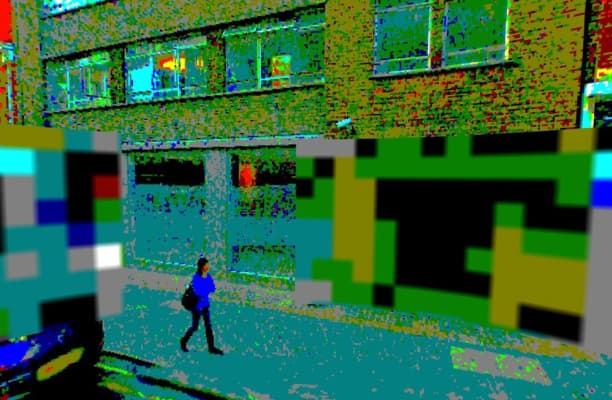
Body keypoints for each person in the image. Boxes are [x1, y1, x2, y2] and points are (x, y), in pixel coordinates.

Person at [180, 257, 224, 355]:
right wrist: (205, 289)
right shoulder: (196, 278)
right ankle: (184, 340)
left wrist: (205, 289)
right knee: (195, 327)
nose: (208, 266)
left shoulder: (208, 276)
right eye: (206, 265)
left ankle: (211, 347)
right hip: (197, 307)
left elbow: (212, 288)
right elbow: (199, 292)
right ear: (202, 266)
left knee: (208, 326)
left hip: (205, 305)